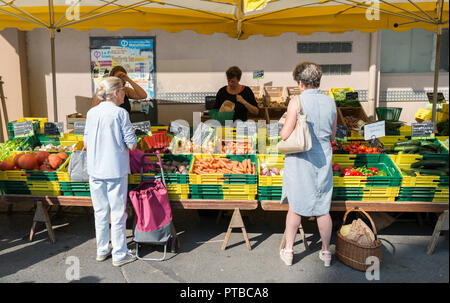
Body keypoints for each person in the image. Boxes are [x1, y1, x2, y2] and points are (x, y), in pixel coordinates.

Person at [279, 62, 337, 267]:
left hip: (300, 160)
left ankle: (288, 252)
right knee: (322, 208)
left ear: (301, 82)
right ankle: (326, 253)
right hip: (323, 159)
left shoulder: (296, 101)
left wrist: (283, 124)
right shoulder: (331, 102)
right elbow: (332, 134)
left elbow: (285, 134)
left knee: (295, 207)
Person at [84, 76, 138, 267]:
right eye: (123, 90)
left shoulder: (91, 113)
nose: (125, 93)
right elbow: (131, 144)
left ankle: (102, 250)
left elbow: (86, 142)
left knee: (100, 211)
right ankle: (120, 253)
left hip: (95, 169)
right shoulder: (120, 113)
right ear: (116, 93)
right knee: (117, 213)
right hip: (115, 169)